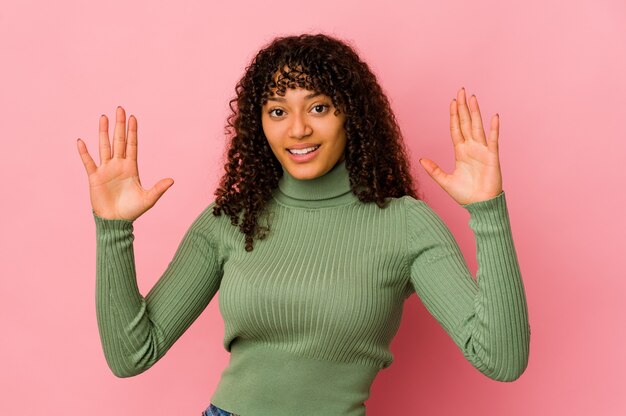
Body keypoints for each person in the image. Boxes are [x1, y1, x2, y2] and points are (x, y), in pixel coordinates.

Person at [76, 33, 530, 416]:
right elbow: (131, 354)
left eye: (318, 108)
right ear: (260, 126)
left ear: (351, 114)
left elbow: (502, 359)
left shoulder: (406, 224)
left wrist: (487, 211)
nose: (297, 130)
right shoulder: (233, 220)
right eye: (277, 111)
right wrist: (113, 229)